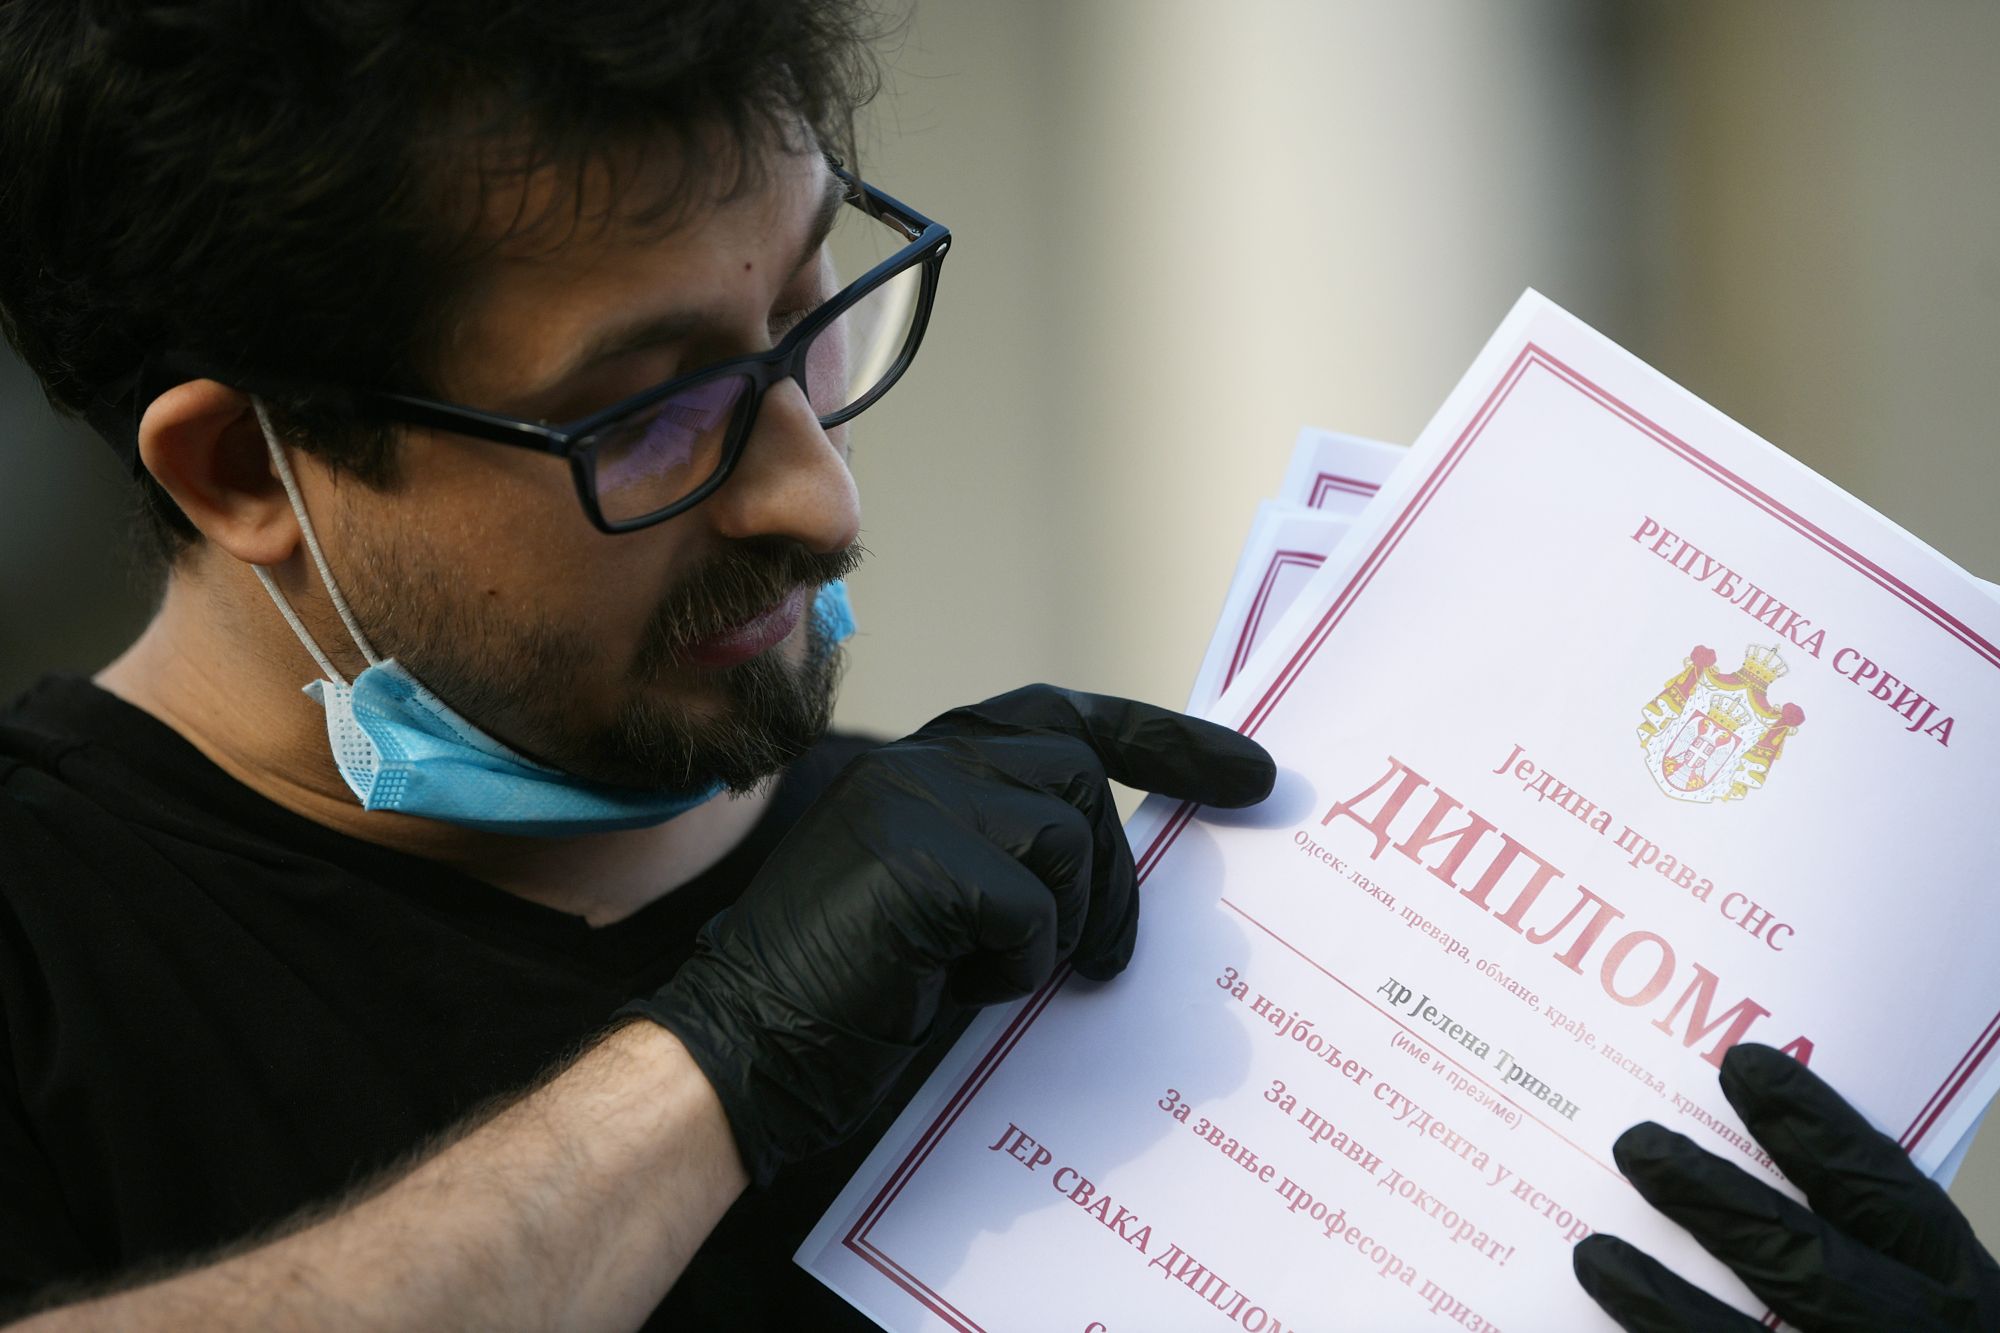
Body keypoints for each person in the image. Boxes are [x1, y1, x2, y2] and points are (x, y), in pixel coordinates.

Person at [0, 4, 1989, 1331]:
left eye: (814, 316)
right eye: (659, 408)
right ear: (247, 464)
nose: (821, 496)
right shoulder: (45, 930)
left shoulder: (1032, 917)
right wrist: (711, 1072)